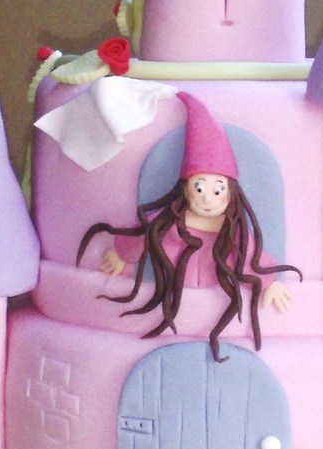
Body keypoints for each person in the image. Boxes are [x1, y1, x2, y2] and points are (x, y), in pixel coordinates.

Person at [77, 91, 300, 360]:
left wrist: (269, 282)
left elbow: (250, 254)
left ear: (230, 193)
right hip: (166, 304)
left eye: (217, 190)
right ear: (186, 190)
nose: (207, 198)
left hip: (216, 308)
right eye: (200, 188)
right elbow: (145, 232)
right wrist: (123, 254)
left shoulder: (233, 232)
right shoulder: (170, 222)